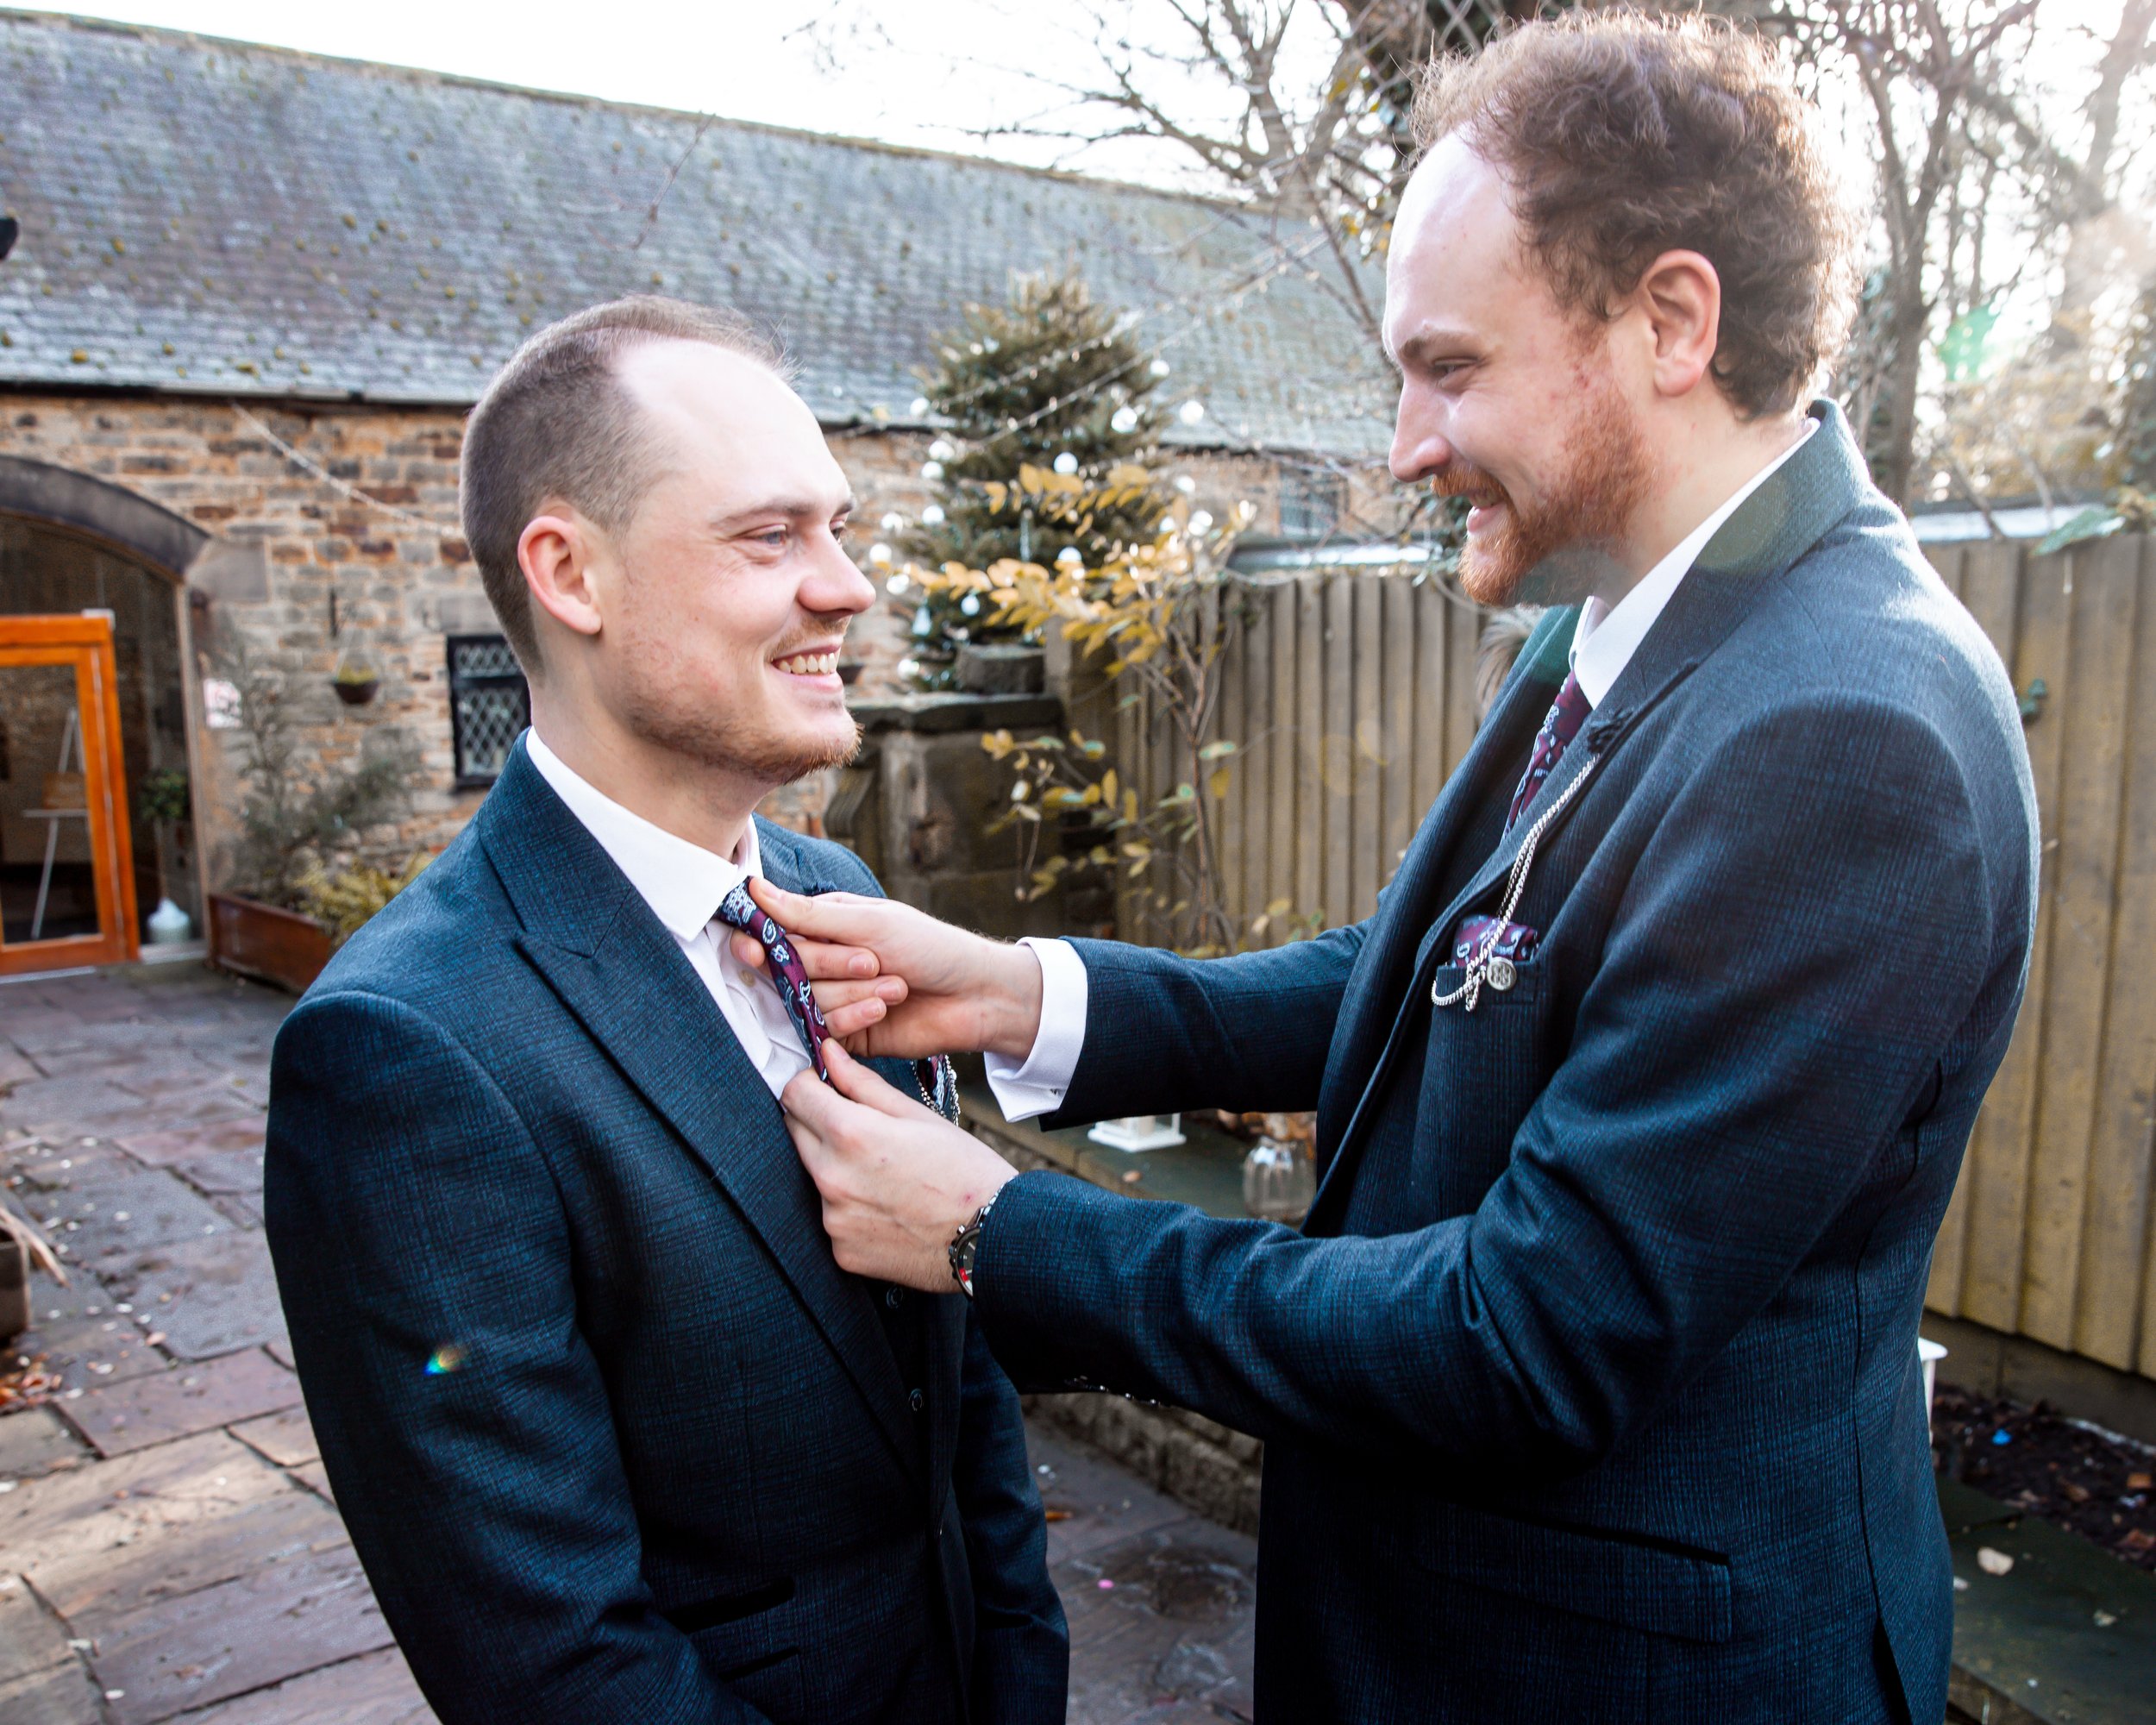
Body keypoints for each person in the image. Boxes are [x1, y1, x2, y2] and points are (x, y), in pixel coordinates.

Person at [760, 18, 2038, 1724]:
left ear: (1668, 321)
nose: (1402, 444)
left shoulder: (1843, 736)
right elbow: (1454, 969)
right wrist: (1030, 993)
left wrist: (1002, 1231)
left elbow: (1530, 1330)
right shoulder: (1619, 622)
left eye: (1447, 365)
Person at [263, 298, 1066, 1725]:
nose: (850, 588)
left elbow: (959, 1401)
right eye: (772, 538)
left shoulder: (836, 897)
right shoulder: (402, 1052)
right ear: (571, 573)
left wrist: (1021, 1674)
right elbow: (548, 1654)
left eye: (840, 527)